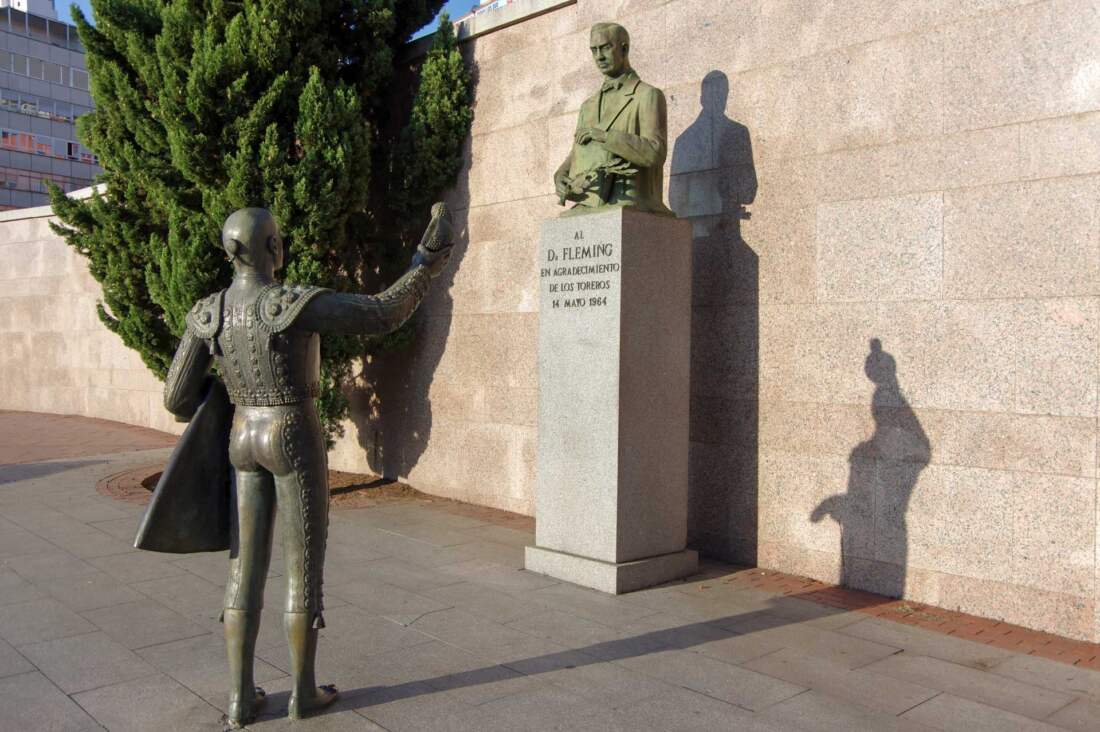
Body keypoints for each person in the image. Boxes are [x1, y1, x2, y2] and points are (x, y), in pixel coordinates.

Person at [161, 204, 453, 727]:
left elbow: (177, 399)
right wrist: (425, 264)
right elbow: (381, 313)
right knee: (303, 566)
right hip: (292, 431)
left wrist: (226, 391)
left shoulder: (208, 313)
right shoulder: (292, 303)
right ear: (273, 248)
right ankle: (301, 692)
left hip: (242, 435)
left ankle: (238, 698)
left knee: (243, 568)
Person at [553, 22, 673, 216]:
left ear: (624, 48)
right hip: (590, 199)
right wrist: (561, 174)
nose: (599, 56)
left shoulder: (647, 95)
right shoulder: (588, 106)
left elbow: (655, 152)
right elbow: (579, 150)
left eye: (606, 47)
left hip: (631, 199)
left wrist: (605, 137)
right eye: (594, 50)